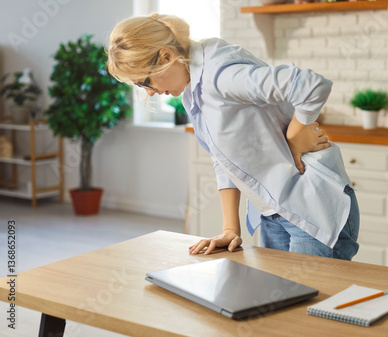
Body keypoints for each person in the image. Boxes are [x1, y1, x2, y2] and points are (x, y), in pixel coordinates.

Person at [107, 13, 359, 260]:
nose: (149, 93)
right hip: (273, 213)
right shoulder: (191, 88)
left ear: (166, 56)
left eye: (144, 82)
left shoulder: (220, 74)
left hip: (313, 209)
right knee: (280, 301)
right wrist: (230, 229)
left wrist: (296, 135)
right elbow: (223, 158)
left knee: (309, 300)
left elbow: (311, 85)